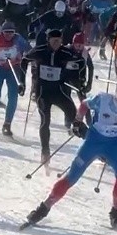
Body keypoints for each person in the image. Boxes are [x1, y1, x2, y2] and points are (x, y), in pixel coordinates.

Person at [20, 78, 117, 230]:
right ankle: (43, 209)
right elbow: (85, 104)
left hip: (116, 145)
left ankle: (116, 215)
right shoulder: (103, 99)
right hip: (93, 142)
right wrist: (78, 121)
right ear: (116, 90)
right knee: (71, 177)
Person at [24, 29, 82, 161]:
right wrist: (23, 82)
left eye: (59, 40)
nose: (56, 43)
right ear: (48, 40)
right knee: (45, 121)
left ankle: (94, 147)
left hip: (58, 91)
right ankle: (45, 152)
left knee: (75, 116)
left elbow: (81, 61)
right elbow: (24, 59)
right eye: (54, 40)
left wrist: (80, 79)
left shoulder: (65, 52)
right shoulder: (40, 50)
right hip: (43, 92)